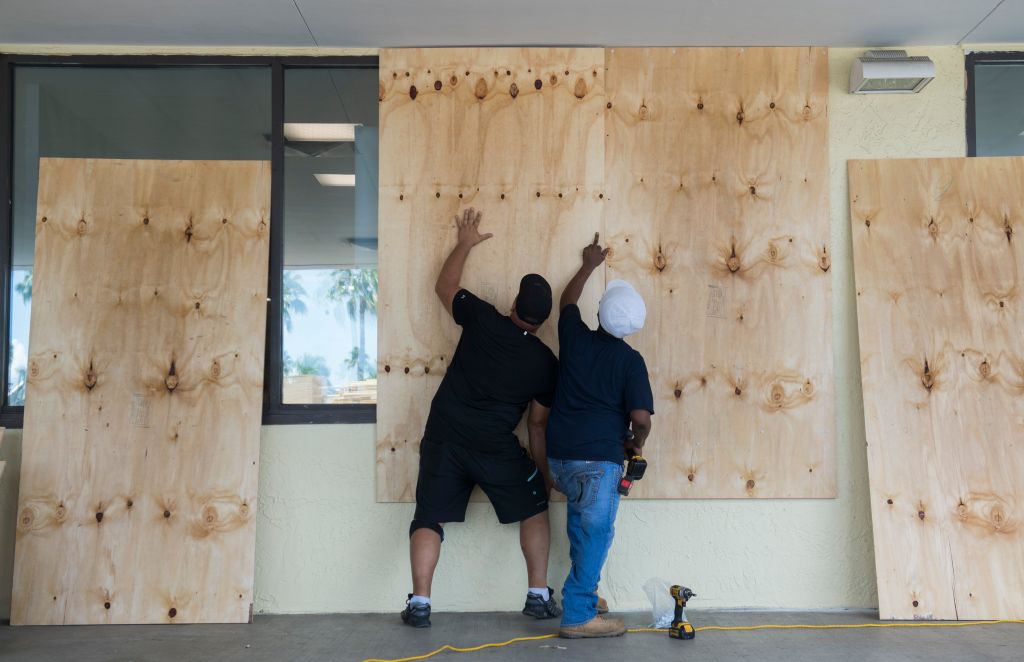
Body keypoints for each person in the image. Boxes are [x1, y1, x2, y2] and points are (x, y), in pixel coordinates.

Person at [401, 207, 562, 628]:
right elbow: (537, 424)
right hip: (494, 446)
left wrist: (466, 242)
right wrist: (542, 473)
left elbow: (445, 285)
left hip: (445, 435)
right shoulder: (546, 363)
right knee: (535, 508)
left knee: (428, 517)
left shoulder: (482, 319)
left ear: (512, 304)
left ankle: (420, 602)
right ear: (543, 322)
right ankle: (538, 595)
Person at [543, 233, 654, 639]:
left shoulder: (575, 339)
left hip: (559, 457)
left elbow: (567, 301)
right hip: (597, 462)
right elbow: (640, 417)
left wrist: (589, 264)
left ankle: (584, 594)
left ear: (603, 314)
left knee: (580, 524)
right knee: (595, 532)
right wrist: (637, 442)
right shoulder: (630, 361)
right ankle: (578, 616)